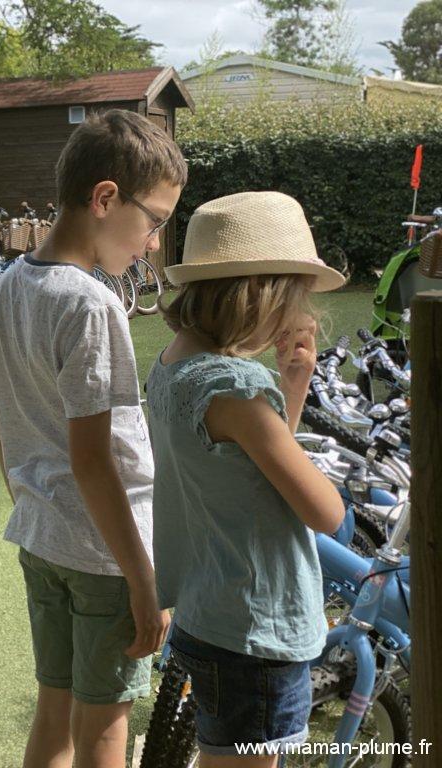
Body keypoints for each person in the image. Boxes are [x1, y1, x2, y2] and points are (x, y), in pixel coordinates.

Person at [0, 109, 186, 768]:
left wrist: (27, 497)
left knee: (56, 712)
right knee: (104, 729)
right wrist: (141, 579)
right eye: (154, 221)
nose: (154, 242)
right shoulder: (92, 304)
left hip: (41, 537)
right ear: (105, 199)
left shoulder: (12, 284)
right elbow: (94, 460)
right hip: (104, 559)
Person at [147, 191, 347, 766]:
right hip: (258, 632)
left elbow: (247, 467)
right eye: (296, 296)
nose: (301, 313)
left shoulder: (172, 367)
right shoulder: (234, 387)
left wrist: (294, 384)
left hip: (208, 615)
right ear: (264, 294)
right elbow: (325, 512)